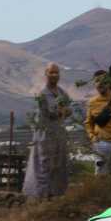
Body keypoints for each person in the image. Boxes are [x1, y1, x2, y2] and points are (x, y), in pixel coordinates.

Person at [23, 63, 71, 199]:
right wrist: (62, 111)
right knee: (44, 165)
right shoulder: (42, 94)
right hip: (45, 134)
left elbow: (68, 110)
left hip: (59, 133)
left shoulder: (62, 93)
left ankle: (56, 195)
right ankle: (40, 196)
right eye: (51, 72)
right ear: (46, 74)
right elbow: (48, 113)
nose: (54, 75)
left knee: (59, 164)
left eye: (56, 72)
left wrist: (66, 111)